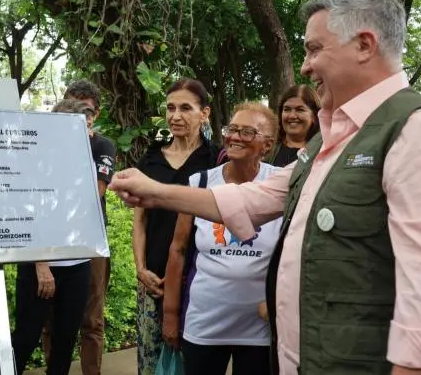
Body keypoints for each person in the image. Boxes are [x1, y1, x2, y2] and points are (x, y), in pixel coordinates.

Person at [109, 0, 421, 375]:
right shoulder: (336, 137)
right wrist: (155, 192)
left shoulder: (420, 133)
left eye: (315, 48)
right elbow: (254, 198)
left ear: (365, 45)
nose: (305, 66)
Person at [162, 102, 281, 375]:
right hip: (205, 321)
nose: (236, 137)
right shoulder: (201, 182)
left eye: (248, 132)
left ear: (267, 145)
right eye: (233, 129)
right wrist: (170, 314)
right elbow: (178, 250)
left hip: (260, 326)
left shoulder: (280, 183)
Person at [133, 78, 225, 375]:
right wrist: (140, 268)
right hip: (153, 280)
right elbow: (141, 219)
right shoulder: (152, 158)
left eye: (186, 108)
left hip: (197, 280)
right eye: (170, 108)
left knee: (194, 363)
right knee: (152, 363)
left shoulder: (215, 159)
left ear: (204, 113)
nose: (175, 116)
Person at [12, 98, 95, 375]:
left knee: (64, 341)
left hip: (77, 265)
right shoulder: (32, 159)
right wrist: (41, 263)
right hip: (39, 266)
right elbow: (23, 212)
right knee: (25, 337)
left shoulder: (85, 161)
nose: (86, 133)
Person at [40, 81, 116, 375]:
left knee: (92, 320)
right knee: (50, 320)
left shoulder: (102, 144)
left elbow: (93, 192)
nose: (78, 116)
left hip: (90, 242)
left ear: (95, 115)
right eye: (71, 108)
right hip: (50, 242)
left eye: (85, 111)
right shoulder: (44, 144)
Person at [267, 85, 320, 167]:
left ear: (314, 116)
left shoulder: (322, 151)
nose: (292, 116)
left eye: (300, 110)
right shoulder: (267, 148)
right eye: (287, 109)